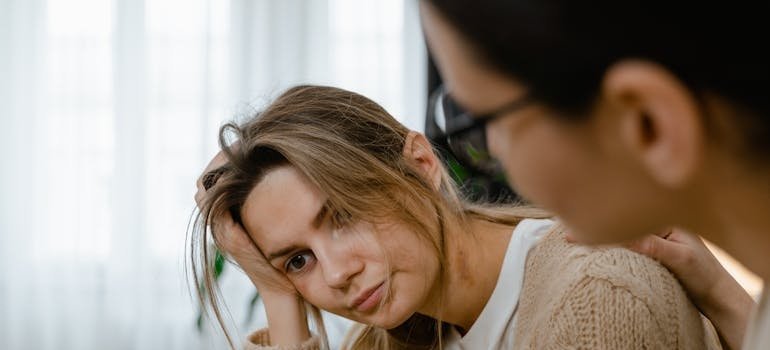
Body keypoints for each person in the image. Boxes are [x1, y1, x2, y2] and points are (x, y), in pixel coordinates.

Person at [192, 85, 719, 349]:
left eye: (345, 214)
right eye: (299, 260)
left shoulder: (595, 300)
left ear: (421, 165)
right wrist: (280, 297)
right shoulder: (394, 336)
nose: (335, 274)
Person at [418, 1, 767, 349]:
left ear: (648, 121)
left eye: (485, 122)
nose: (493, 152)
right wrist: (722, 296)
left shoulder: (600, 296)